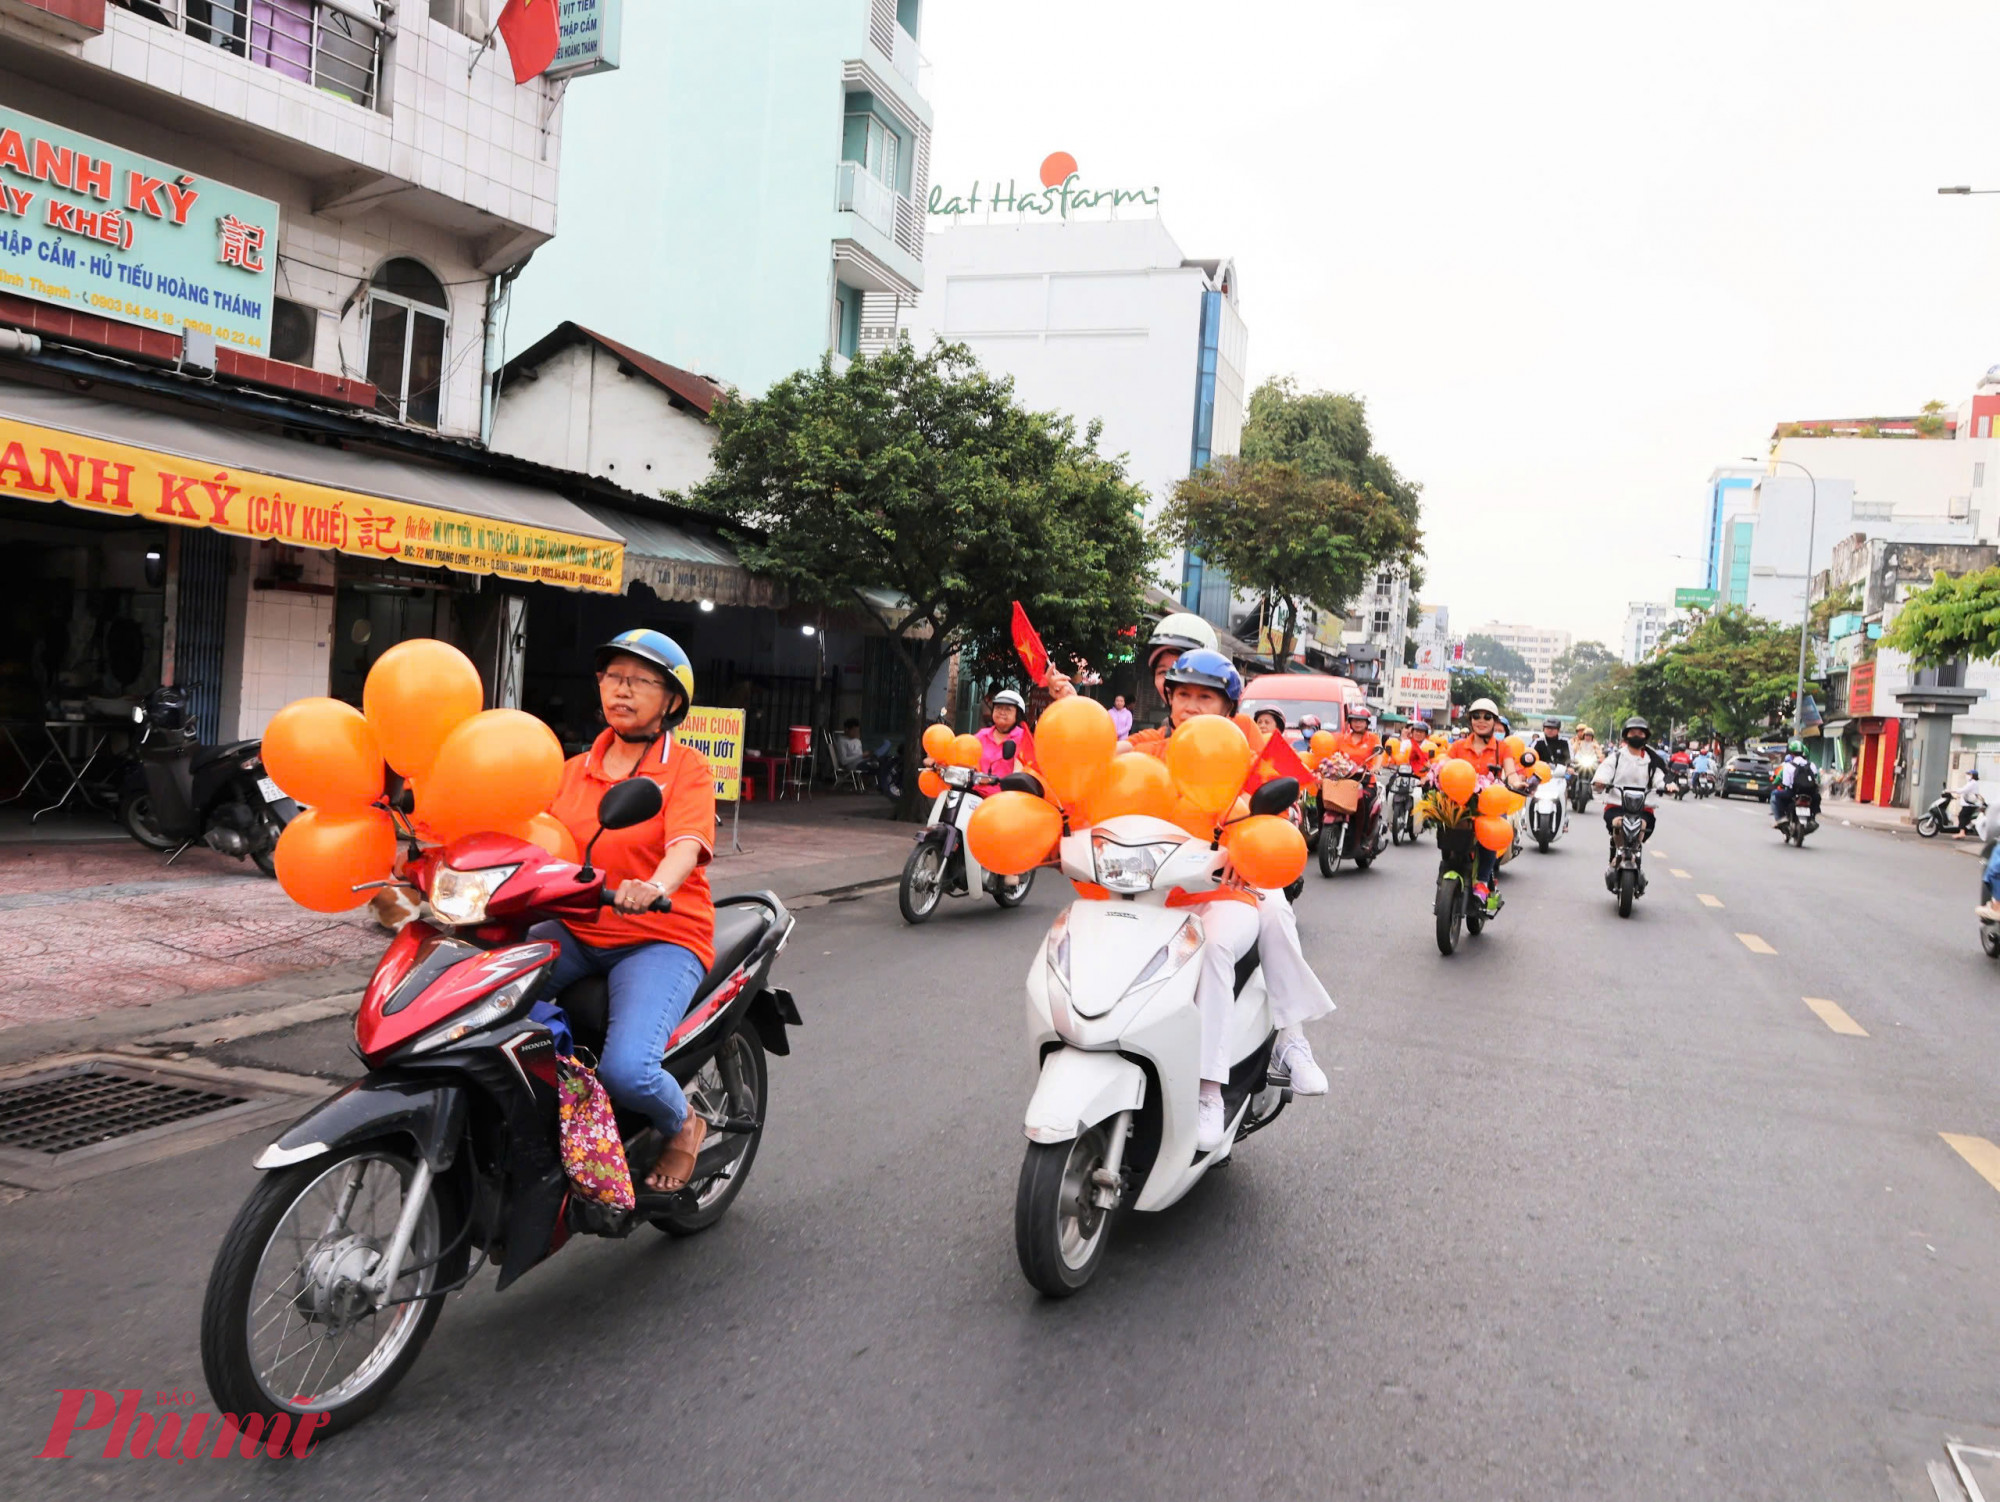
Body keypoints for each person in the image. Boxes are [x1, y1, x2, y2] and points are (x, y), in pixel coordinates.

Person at [1126, 649, 1337, 1149]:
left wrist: (1253, 841)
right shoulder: (1147, 746)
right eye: (1183, 696)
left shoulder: (1247, 752)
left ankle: (1213, 1087)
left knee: (1235, 935)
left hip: (1224, 885)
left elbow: (1276, 810)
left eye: (1206, 698)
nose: (1192, 707)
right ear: (1168, 699)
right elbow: (1101, 772)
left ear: (1227, 707)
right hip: (1151, 886)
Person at [536, 629, 717, 1194]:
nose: (624, 690)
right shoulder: (568, 770)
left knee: (627, 1071)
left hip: (660, 933)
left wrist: (654, 885)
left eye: (641, 681)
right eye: (615, 677)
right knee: (479, 1008)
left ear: (671, 701)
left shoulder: (685, 769)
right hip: (576, 923)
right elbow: (524, 836)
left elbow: (686, 845)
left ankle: (684, 1123)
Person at [1446, 698, 1528, 909]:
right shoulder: (1457, 747)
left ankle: (1482, 880)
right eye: (1476, 716)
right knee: (1446, 831)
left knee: (1491, 832)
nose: (1481, 721)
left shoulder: (1503, 748)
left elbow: (1510, 772)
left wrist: (1517, 782)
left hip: (1489, 806)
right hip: (1460, 805)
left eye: (1487, 717)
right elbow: (1442, 766)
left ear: (1494, 721)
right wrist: (1430, 776)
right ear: (1470, 720)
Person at [1592, 716, 1665, 859]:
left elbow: (1659, 778)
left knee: (1642, 825)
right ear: (1626, 735)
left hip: (1644, 808)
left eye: (1640, 732)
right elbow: (1605, 771)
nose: (1636, 735)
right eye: (1633, 732)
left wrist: (1668, 786)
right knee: (1618, 823)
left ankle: (1635, 851)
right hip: (1617, 805)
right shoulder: (1616, 757)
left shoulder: (1652, 760)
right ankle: (1619, 853)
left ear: (1646, 736)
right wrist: (1600, 781)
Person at [975, 689, 1036, 788]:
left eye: (1008, 709)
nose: (1002, 712)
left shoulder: (1024, 739)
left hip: (1006, 797)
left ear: (1018, 714)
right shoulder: (982, 735)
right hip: (976, 793)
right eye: (998, 707)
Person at [833, 717, 896, 796]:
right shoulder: (842, 741)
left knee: (887, 744)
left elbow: (860, 755)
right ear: (846, 729)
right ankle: (883, 786)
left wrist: (865, 756)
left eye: (858, 731)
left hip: (866, 760)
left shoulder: (857, 740)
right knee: (882, 763)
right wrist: (861, 755)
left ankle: (875, 758)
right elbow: (843, 761)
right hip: (856, 764)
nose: (856, 733)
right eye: (854, 731)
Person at [1769, 741, 1821, 829]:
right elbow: (1817, 780)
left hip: (1793, 792)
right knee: (1817, 797)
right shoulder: (1811, 765)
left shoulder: (1788, 766)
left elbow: (1786, 783)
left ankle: (1781, 818)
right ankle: (1812, 818)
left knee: (1775, 794)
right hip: (1810, 793)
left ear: (1791, 753)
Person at [1951, 768, 1986, 838]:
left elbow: (1963, 790)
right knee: (1965, 817)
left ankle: (1962, 832)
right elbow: (1967, 792)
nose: (1967, 775)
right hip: (1969, 804)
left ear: (1973, 775)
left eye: (1969, 774)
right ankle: (1967, 828)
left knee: (1962, 816)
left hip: (1969, 805)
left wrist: (1951, 791)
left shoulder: (1972, 783)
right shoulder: (1971, 783)